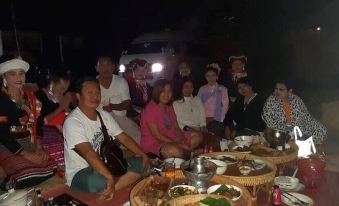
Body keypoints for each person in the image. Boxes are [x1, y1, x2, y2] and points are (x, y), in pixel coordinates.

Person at [63, 77, 149, 200]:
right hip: (82, 172)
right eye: (90, 92)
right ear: (78, 96)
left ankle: (112, 186)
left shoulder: (104, 115)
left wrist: (142, 154)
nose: (95, 96)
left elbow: (123, 138)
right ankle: (122, 180)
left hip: (107, 164)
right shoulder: (73, 122)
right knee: (98, 181)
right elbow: (87, 152)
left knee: (143, 161)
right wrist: (108, 176)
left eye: (97, 92)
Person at [0, 58, 49, 161]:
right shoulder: (2, 99)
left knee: (49, 168)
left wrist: (39, 148)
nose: (18, 77)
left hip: (30, 143)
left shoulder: (29, 98)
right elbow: (2, 133)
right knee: (29, 174)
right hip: (8, 147)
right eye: (12, 74)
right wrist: (25, 154)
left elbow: (38, 123)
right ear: (4, 76)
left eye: (21, 73)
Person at [140, 79, 203, 158]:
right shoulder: (150, 108)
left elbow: (176, 127)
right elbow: (156, 134)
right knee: (174, 151)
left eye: (169, 91)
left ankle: (188, 152)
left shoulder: (169, 106)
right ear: (157, 92)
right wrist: (177, 143)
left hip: (171, 136)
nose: (166, 94)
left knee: (198, 136)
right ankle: (191, 152)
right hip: (156, 142)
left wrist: (182, 140)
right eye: (163, 91)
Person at [262, 79, 327, 145]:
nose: (277, 92)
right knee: (276, 134)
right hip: (280, 129)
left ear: (289, 91)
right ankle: (296, 142)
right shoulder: (271, 101)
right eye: (276, 89)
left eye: (281, 90)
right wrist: (288, 129)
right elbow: (269, 120)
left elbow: (305, 116)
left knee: (320, 129)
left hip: (299, 127)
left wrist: (297, 128)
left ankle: (307, 144)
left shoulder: (296, 100)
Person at [96, 56, 141, 144]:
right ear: (97, 68)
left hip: (120, 119)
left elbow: (127, 104)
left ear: (113, 67)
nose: (105, 68)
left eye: (108, 65)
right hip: (99, 121)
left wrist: (112, 107)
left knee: (139, 140)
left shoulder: (121, 81)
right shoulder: (93, 83)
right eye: (102, 65)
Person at [197, 66, 229, 138]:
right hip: (204, 119)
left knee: (214, 130)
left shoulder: (223, 89)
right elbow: (198, 105)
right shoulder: (202, 89)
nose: (211, 78)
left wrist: (220, 119)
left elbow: (225, 106)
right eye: (208, 76)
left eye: (213, 75)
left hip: (218, 119)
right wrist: (203, 120)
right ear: (205, 77)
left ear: (217, 76)